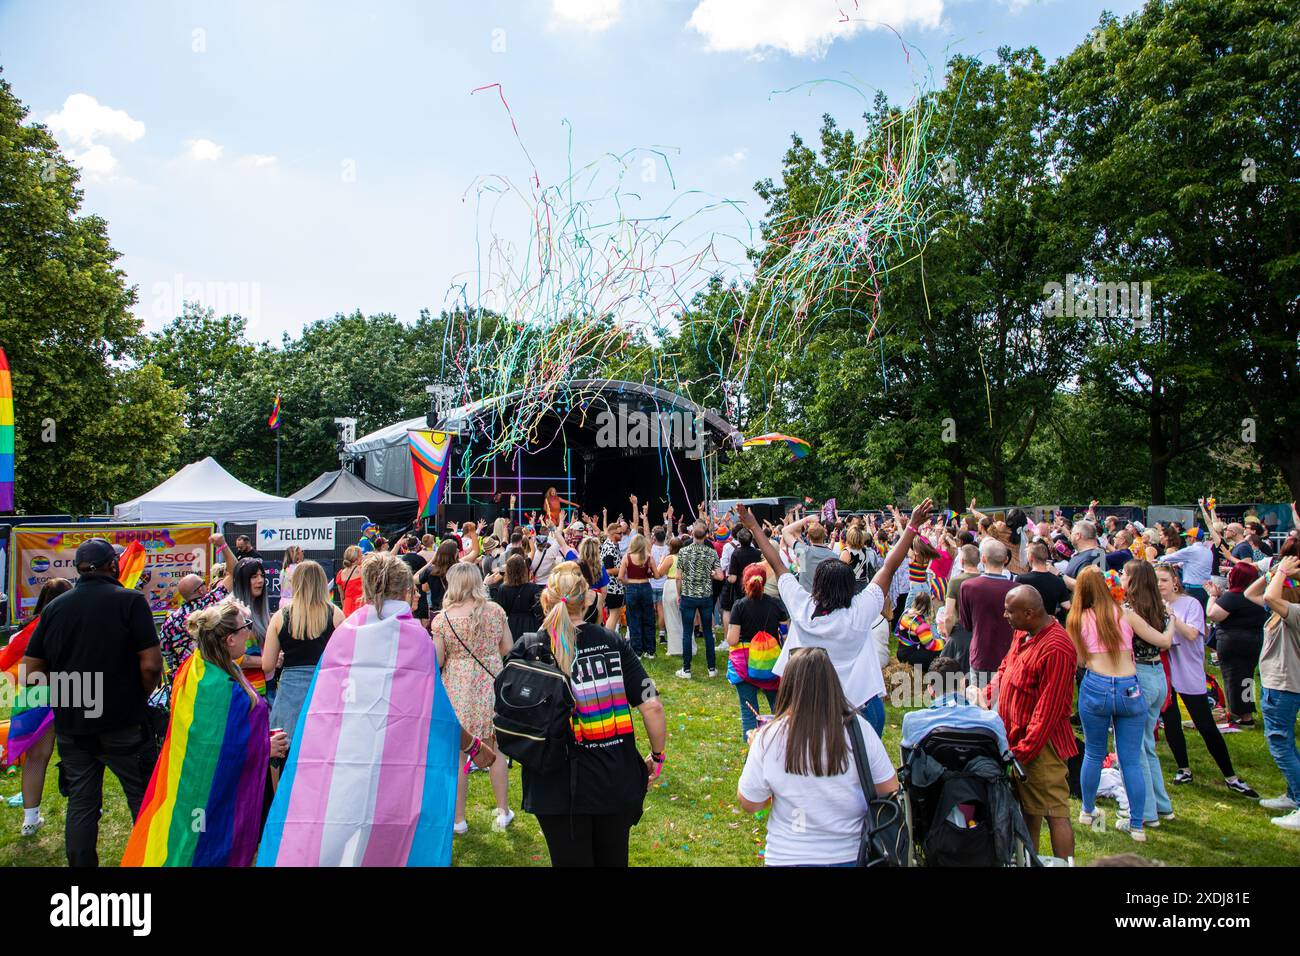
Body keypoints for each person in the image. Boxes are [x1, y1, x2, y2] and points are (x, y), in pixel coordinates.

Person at [259, 553, 493, 867]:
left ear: (367, 589)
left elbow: (328, 702)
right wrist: (473, 745)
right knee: (390, 831)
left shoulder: (346, 632)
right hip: (396, 753)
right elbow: (435, 709)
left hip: (348, 751)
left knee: (347, 827)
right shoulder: (415, 639)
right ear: (406, 591)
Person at [514, 561, 667, 867]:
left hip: (552, 784)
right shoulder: (613, 643)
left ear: (548, 599)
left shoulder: (529, 648)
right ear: (589, 599)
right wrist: (657, 755)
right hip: (611, 777)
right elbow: (651, 703)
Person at [20, 538, 163, 866]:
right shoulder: (130, 601)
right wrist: (136, 696)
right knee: (143, 799)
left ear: (78, 568)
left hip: (73, 724)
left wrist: (68, 692)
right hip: (123, 720)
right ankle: (152, 859)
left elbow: (29, 672)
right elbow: (152, 664)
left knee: (81, 804)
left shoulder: (55, 608)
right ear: (113, 566)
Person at [738, 498, 932, 737]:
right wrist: (911, 526)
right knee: (864, 771)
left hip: (811, 705)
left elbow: (777, 563)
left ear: (817, 585)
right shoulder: (860, 611)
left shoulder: (801, 606)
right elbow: (889, 567)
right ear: (849, 587)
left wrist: (754, 527)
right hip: (861, 705)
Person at [122, 598, 289, 866]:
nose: (249, 631)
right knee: (207, 847)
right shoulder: (224, 689)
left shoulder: (196, 668)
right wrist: (264, 748)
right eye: (245, 626)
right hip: (216, 791)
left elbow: (211, 740)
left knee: (190, 839)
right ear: (229, 640)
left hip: (190, 785)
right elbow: (218, 750)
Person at [738, 647, 899, 867]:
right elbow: (890, 788)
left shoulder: (769, 736)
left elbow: (751, 802)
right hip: (850, 854)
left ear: (789, 687)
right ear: (832, 684)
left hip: (788, 855)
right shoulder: (858, 729)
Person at [1069, 566, 1174, 841]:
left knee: (1094, 753)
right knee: (1130, 760)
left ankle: (1087, 810)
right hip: (1129, 687)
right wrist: (1171, 619)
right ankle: (1137, 824)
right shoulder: (1125, 614)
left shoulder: (1077, 619)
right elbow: (1163, 641)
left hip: (1096, 685)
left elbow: (1079, 660)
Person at [991, 585, 1078, 861]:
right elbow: (1007, 665)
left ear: (1029, 613)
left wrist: (1024, 752)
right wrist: (989, 691)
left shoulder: (1057, 647)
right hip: (1016, 738)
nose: (1004, 615)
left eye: (1009, 611)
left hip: (1041, 746)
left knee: (1054, 810)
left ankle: (1064, 863)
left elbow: (1048, 709)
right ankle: (1030, 859)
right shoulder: (1023, 632)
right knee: (1028, 809)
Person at [1154, 564, 1255, 795]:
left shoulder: (1189, 604)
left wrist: (1169, 615)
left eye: (1164, 580)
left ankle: (1230, 776)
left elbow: (1191, 634)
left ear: (1175, 582)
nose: (1160, 585)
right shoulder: (1152, 604)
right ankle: (1183, 768)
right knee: (1171, 722)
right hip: (1166, 671)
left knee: (1205, 725)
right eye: (1156, 580)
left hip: (1189, 671)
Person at [431, 563, 514, 833]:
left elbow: (438, 659)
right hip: (491, 682)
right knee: (495, 748)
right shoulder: (495, 612)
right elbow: (508, 648)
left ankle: (459, 819)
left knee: (458, 753)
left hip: (458, 684)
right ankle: (503, 811)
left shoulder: (443, 619)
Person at [2, 577, 72, 836]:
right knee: (80, 754)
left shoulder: (24, 631)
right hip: (73, 690)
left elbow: (15, 664)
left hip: (34, 695)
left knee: (35, 758)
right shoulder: (71, 623)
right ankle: (87, 809)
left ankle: (30, 820)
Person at [1120, 560, 1176, 828]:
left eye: (1123, 574)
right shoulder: (1159, 609)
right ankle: (1162, 806)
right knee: (1146, 744)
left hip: (1142, 676)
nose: (1119, 577)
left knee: (1135, 749)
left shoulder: (1131, 612)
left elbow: (1165, 642)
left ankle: (1146, 812)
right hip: (1156, 676)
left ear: (1132, 580)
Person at [261, 561, 343, 747]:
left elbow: (267, 665)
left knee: (286, 750)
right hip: (325, 690)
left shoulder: (280, 616)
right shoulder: (335, 614)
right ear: (322, 582)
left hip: (290, 695)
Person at [1257, 553, 1300, 829]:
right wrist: (1272, 573)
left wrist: (1282, 572)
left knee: (1280, 743)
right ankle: (1293, 795)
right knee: (1285, 741)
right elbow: (1257, 594)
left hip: (1283, 685)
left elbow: (1270, 598)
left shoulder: (1294, 613)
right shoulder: (1281, 613)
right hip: (1276, 684)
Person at [725, 562, 787, 741]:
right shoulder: (776, 605)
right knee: (780, 710)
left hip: (744, 663)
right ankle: (782, 743)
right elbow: (785, 635)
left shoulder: (739, 606)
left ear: (745, 582)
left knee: (749, 714)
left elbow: (732, 639)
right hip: (771, 664)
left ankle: (752, 757)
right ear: (765, 581)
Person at [1205, 563, 1267, 726]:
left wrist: (1212, 596)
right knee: (1246, 677)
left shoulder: (1233, 597)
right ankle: (1247, 714)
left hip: (1232, 642)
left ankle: (1238, 714)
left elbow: (1213, 614)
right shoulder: (1259, 597)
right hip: (1254, 641)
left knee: (1232, 678)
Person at [958, 539, 1019, 689]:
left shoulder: (968, 587)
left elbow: (966, 624)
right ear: (1006, 560)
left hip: (982, 653)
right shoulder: (1018, 589)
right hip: (1010, 654)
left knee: (980, 702)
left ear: (983, 559)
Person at [675, 520, 725, 679]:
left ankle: (687, 669)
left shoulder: (683, 552)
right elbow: (720, 576)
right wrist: (710, 573)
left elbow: (678, 577)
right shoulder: (711, 553)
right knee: (708, 633)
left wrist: (678, 594)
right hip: (705, 597)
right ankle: (711, 668)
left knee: (687, 633)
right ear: (707, 535)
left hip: (688, 596)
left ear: (691, 534)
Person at [231, 558, 270, 697]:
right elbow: (235, 658)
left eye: (262, 576)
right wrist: (269, 661)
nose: (260, 581)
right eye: (254, 577)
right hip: (244, 692)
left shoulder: (261, 611)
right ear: (242, 581)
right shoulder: (234, 612)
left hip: (264, 689)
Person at [618, 533, 658, 659]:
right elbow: (656, 575)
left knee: (634, 620)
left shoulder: (627, 557)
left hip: (632, 588)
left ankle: (637, 651)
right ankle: (650, 650)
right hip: (646, 588)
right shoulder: (649, 557)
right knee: (649, 619)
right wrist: (649, 575)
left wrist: (628, 582)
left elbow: (620, 577)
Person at [491, 553, 545, 641]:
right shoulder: (533, 588)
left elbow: (502, 610)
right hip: (530, 625)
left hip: (511, 625)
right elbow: (538, 609)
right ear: (524, 570)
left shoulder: (503, 588)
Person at [1016, 540, 1070, 618]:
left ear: (1031, 558)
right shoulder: (1058, 581)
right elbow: (1067, 606)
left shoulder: (1021, 579)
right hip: (1048, 624)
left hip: (1028, 624)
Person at [895, 591, 944, 670]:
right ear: (928, 606)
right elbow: (930, 645)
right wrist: (944, 643)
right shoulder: (920, 623)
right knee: (939, 653)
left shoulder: (905, 613)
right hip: (910, 656)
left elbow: (897, 631)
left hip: (900, 653)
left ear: (914, 602)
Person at [416, 539, 459, 622]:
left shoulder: (431, 570)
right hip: (457, 612)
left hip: (438, 613)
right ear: (454, 554)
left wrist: (431, 561)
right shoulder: (460, 569)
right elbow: (475, 552)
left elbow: (414, 578)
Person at [334, 545, 366, 617]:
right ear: (357, 559)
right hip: (360, 606)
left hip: (347, 608)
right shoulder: (362, 570)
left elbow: (342, 597)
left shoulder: (340, 574)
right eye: (361, 555)